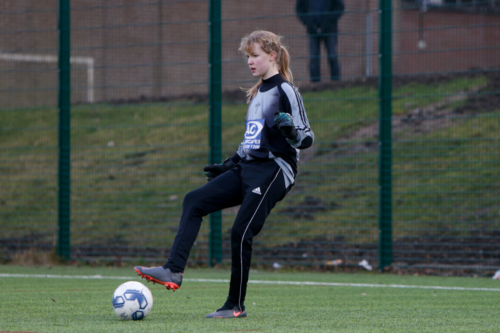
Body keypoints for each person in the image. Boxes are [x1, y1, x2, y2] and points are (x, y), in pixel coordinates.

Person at [134, 30, 314, 319]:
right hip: (248, 168)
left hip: (275, 170)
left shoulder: (286, 90)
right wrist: (229, 165)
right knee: (194, 201)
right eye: (247, 57)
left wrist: (290, 130)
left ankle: (235, 306)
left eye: (254, 55)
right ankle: (173, 269)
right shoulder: (256, 93)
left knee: (241, 232)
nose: (250, 62)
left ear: (272, 55)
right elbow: (251, 142)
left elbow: (306, 138)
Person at [296, 0, 345, 82]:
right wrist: (308, 22)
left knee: (332, 56)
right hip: (313, 30)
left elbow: (340, 7)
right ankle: (315, 86)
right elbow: (299, 8)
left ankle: (336, 84)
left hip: (330, 30)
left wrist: (330, 19)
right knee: (314, 58)